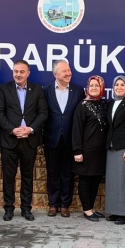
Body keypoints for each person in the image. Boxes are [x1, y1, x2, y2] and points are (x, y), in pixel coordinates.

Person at [0, 59, 48, 222]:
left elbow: (43, 113)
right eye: (16, 71)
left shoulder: (37, 89)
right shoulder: (4, 89)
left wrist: (30, 129)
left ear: (28, 73)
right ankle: (8, 209)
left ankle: (26, 209)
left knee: (27, 176)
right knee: (9, 177)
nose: (18, 74)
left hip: (29, 141)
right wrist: (12, 129)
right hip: (10, 140)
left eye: (22, 71)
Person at [42, 59, 84, 217]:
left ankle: (65, 205)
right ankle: (53, 204)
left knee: (68, 174)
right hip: (51, 139)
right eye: (64, 71)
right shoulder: (46, 91)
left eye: (69, 70)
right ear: (55, 74)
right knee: (52, 173)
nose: (68, 73)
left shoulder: (78, 91)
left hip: (70, 139)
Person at [72, 76, 108, 222]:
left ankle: (91, 208)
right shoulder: (82, 106)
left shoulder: (103, 104)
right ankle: (86, 210)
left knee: (95, 180)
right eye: (91, 85)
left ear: (102, 88)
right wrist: (77, 151)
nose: (94, 88)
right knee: (85, 180)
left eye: (96, 85)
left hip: (100, 152)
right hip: (86, 151)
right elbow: (77, 130)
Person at [104, 75, 125, 225]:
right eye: (117, 84)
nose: (119, 87)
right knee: (113, 182)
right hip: (112, 147)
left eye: (122, 85)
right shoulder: (111, 103)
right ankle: (114, 210)